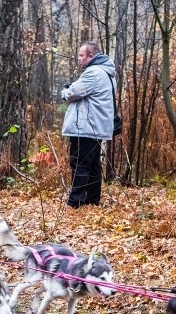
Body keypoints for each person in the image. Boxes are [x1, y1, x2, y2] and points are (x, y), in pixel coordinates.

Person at [60, 41, 116, 208]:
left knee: (80, 164)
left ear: (91, 56)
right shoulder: (107, 73)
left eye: (81, 55)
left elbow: (73, 93)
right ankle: (92, 200)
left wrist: (65, 91)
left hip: (86, 127)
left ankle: (75, 202)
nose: (79, 58)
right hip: (97, 126)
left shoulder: (93, 72)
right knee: (93, 164)